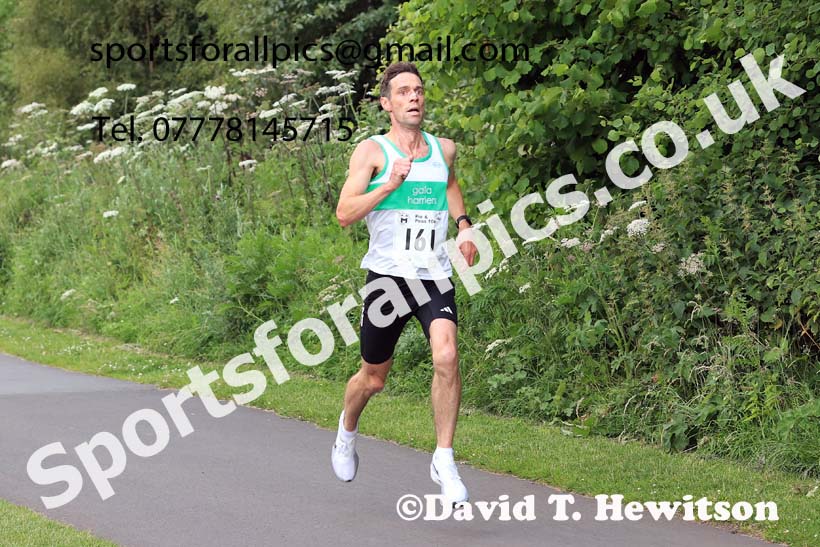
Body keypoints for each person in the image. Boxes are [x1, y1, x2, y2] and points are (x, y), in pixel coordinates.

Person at [332, 61, 477, 504]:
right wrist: (389, 184)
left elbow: (449, 184)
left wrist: (464, 225)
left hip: (434, 274)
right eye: (403, 91)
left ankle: (444, 459)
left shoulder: (443, 149)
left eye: (418, 90)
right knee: (373, 378)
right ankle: (346, 431)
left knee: (447, 355)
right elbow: (344, 214)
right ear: (386, 104)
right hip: (388, 279)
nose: (414, 97)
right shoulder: (372, 152)